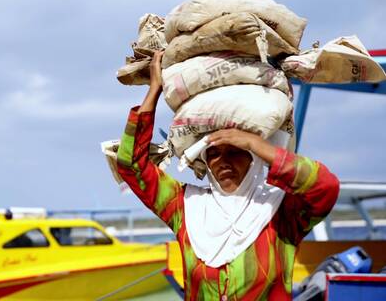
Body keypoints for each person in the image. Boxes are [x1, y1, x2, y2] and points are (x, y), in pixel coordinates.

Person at [116, 51, 340, 301]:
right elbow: (131, 166)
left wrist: (255, 144)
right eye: (213, 154)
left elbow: (325, 188)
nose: (223, 161)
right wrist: (154, 91)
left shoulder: (280, 211)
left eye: (235, 151)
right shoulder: (185, 207)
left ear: (253, 159)